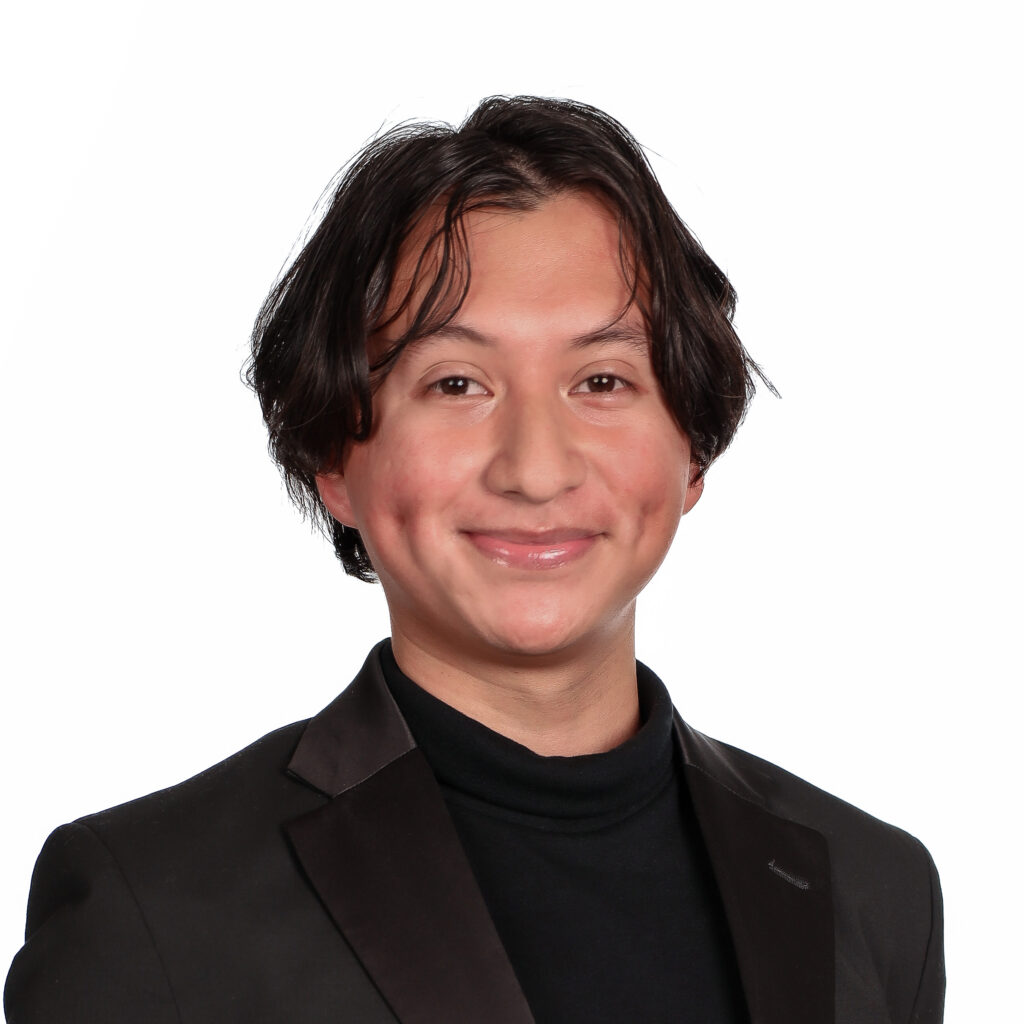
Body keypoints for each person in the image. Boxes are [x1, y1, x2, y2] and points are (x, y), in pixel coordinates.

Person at [4, 96, 944, 1024]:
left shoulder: (873, 891)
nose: (535, 470)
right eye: (457, 383)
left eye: (602, 380)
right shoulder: (150, 910)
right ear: (334, 456)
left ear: (692, 450)